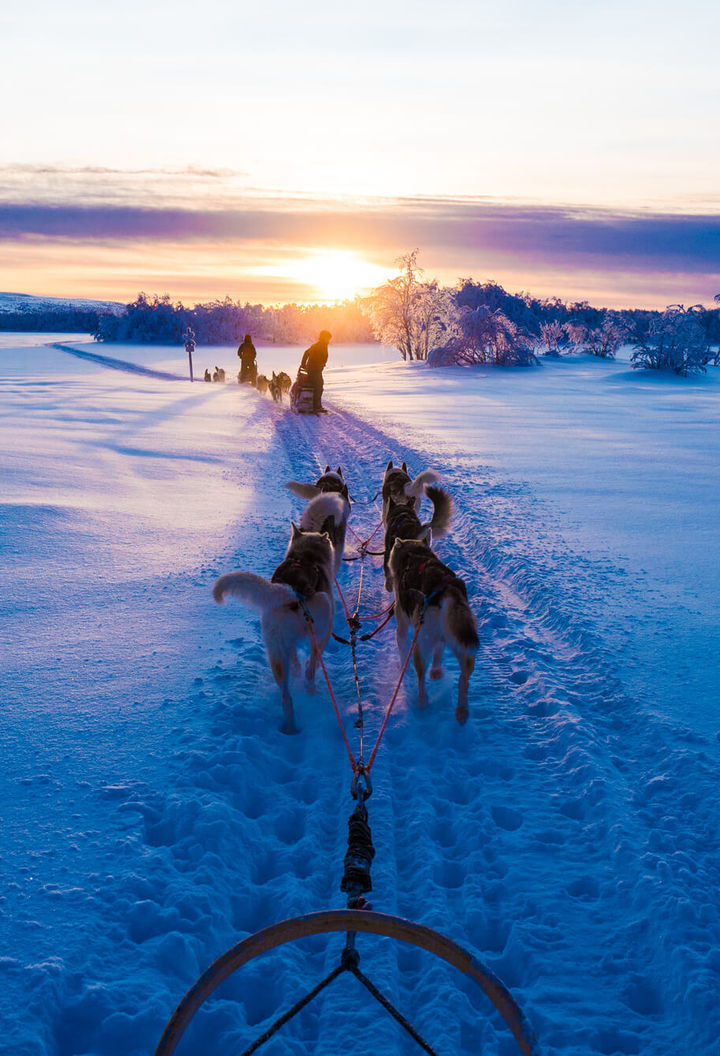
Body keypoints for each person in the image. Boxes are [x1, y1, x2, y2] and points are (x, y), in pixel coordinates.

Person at [300, 330, 331, 413]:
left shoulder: (318, 345)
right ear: (324, 337)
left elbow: (306, 353)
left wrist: (303, 364)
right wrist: (319, 365)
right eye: (328, 338)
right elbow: (316, 357)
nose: (329, 340)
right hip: (314, 370)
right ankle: (316, 406)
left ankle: (313, 405)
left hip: (314, 369)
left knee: (316, 386)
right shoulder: (319, 346)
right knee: (319, 386)